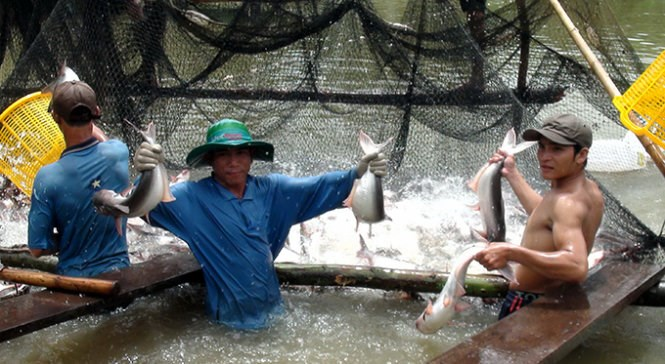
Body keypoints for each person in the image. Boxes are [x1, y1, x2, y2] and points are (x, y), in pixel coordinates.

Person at [133, 118, 387, 329]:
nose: (233, 162)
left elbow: (321, 185)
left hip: (275, 312)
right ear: (210, 159)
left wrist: (360, 172)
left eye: (241, 152)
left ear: (252, 156)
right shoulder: (192, 198)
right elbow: (143, 203)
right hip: (227, 323)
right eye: (223, 154)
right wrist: (146, 170)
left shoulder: (275, 191)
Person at [474, 113, 604, 319]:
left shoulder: (565, 202)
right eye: (542, 147)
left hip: (530, 303)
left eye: (557, 149)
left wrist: (512, 253)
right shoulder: (587, 189)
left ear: (581, 155)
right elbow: (546, 216)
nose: (545, 156)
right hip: (555, 295)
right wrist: (512, 174)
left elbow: (576, 266)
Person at [28, 81, 131, 277]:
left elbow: (36, 249)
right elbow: (103, 142)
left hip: (76, 282)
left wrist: (70, 236)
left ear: (55, 117)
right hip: (121, 274)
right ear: (97, 112)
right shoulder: (119, 152)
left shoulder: (46, 177)